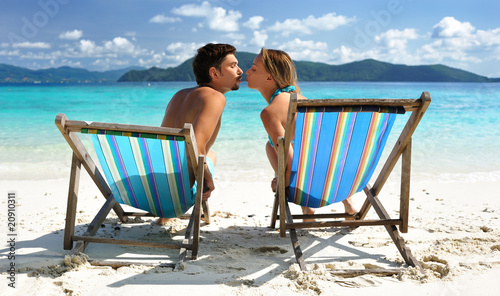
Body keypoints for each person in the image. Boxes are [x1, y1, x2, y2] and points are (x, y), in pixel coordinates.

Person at [245, 48, 357, 220]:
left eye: (254, 68)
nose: (247, 71)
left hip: (309, 186)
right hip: (338, 180)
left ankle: (306, 206)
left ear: (269, 77)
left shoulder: (270, 112)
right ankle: (348, 203)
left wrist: (281, 183)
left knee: (276, 148)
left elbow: (290, 163)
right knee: (289, 145)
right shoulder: (303, 101)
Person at [159, 43, 243, 224]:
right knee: (208, 156)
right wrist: (209, 179)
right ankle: (172, 213)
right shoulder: (215, 97)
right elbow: (195, 148)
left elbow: (167, 147)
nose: (240, 70)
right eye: (233, 65)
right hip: (175, 196)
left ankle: (163, 217)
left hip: (152, 189)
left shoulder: (179, 95)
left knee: (207, 154)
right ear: (214, 73)